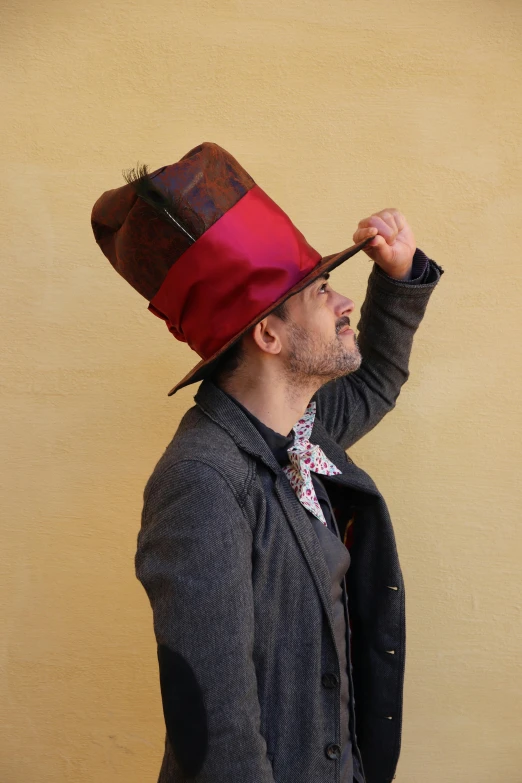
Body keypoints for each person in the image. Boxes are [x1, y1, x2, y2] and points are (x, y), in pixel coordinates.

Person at [91, 142, 444, 783]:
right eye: (320, 291)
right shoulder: (201, 481)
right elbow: (216, 727)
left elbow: (375, 382)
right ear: (268, 336)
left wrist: (396, 280)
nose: (343, 304)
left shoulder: (298, 427)